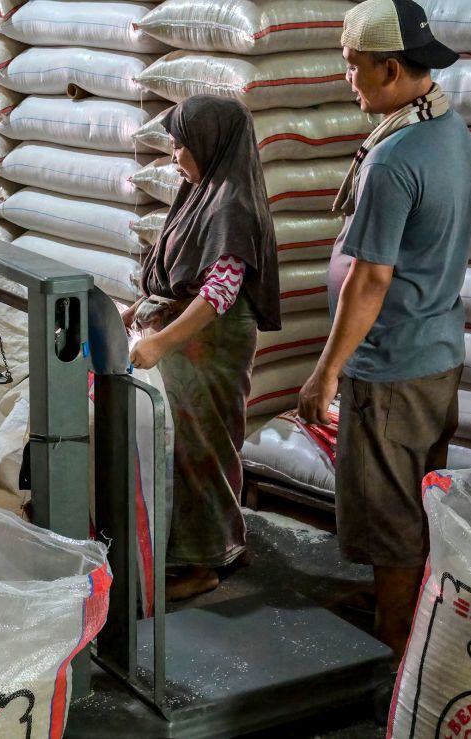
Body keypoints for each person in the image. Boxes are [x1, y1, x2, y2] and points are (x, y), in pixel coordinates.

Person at [297, 0, 471, 661]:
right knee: (416, 500)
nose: (347, 79)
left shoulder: (394, 160)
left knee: (390, 513)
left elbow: (369, 281)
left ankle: (396, 645)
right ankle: (402, 614)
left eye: (353, 67)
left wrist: (325, 372)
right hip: (436, 351)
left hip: (393, 362)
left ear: (392, 69)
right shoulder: (448, 129)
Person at [126, 95, 280, 601]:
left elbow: (218, 292)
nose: (174, 155)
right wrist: (140, 309)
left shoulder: (231, 205)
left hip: (210, 342)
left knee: (202, 448)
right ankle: (223, 541)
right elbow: (180, 274)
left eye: (181, 145)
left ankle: (203, 564)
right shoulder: (199, 192)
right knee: (192, 445)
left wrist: (161, 342)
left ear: (210, 145)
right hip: (190, 340)